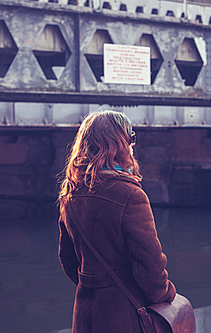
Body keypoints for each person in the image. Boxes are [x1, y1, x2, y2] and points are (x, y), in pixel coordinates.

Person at [58, 109, 176, 333]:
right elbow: (150, 266)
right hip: (123, 314)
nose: (133, 144)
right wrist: (166, 294)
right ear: (118, 143)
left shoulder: (70, 192)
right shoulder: (130, 194)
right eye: (130, 138)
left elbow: (67, 259)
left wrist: (93, 284)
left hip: (85, 312)